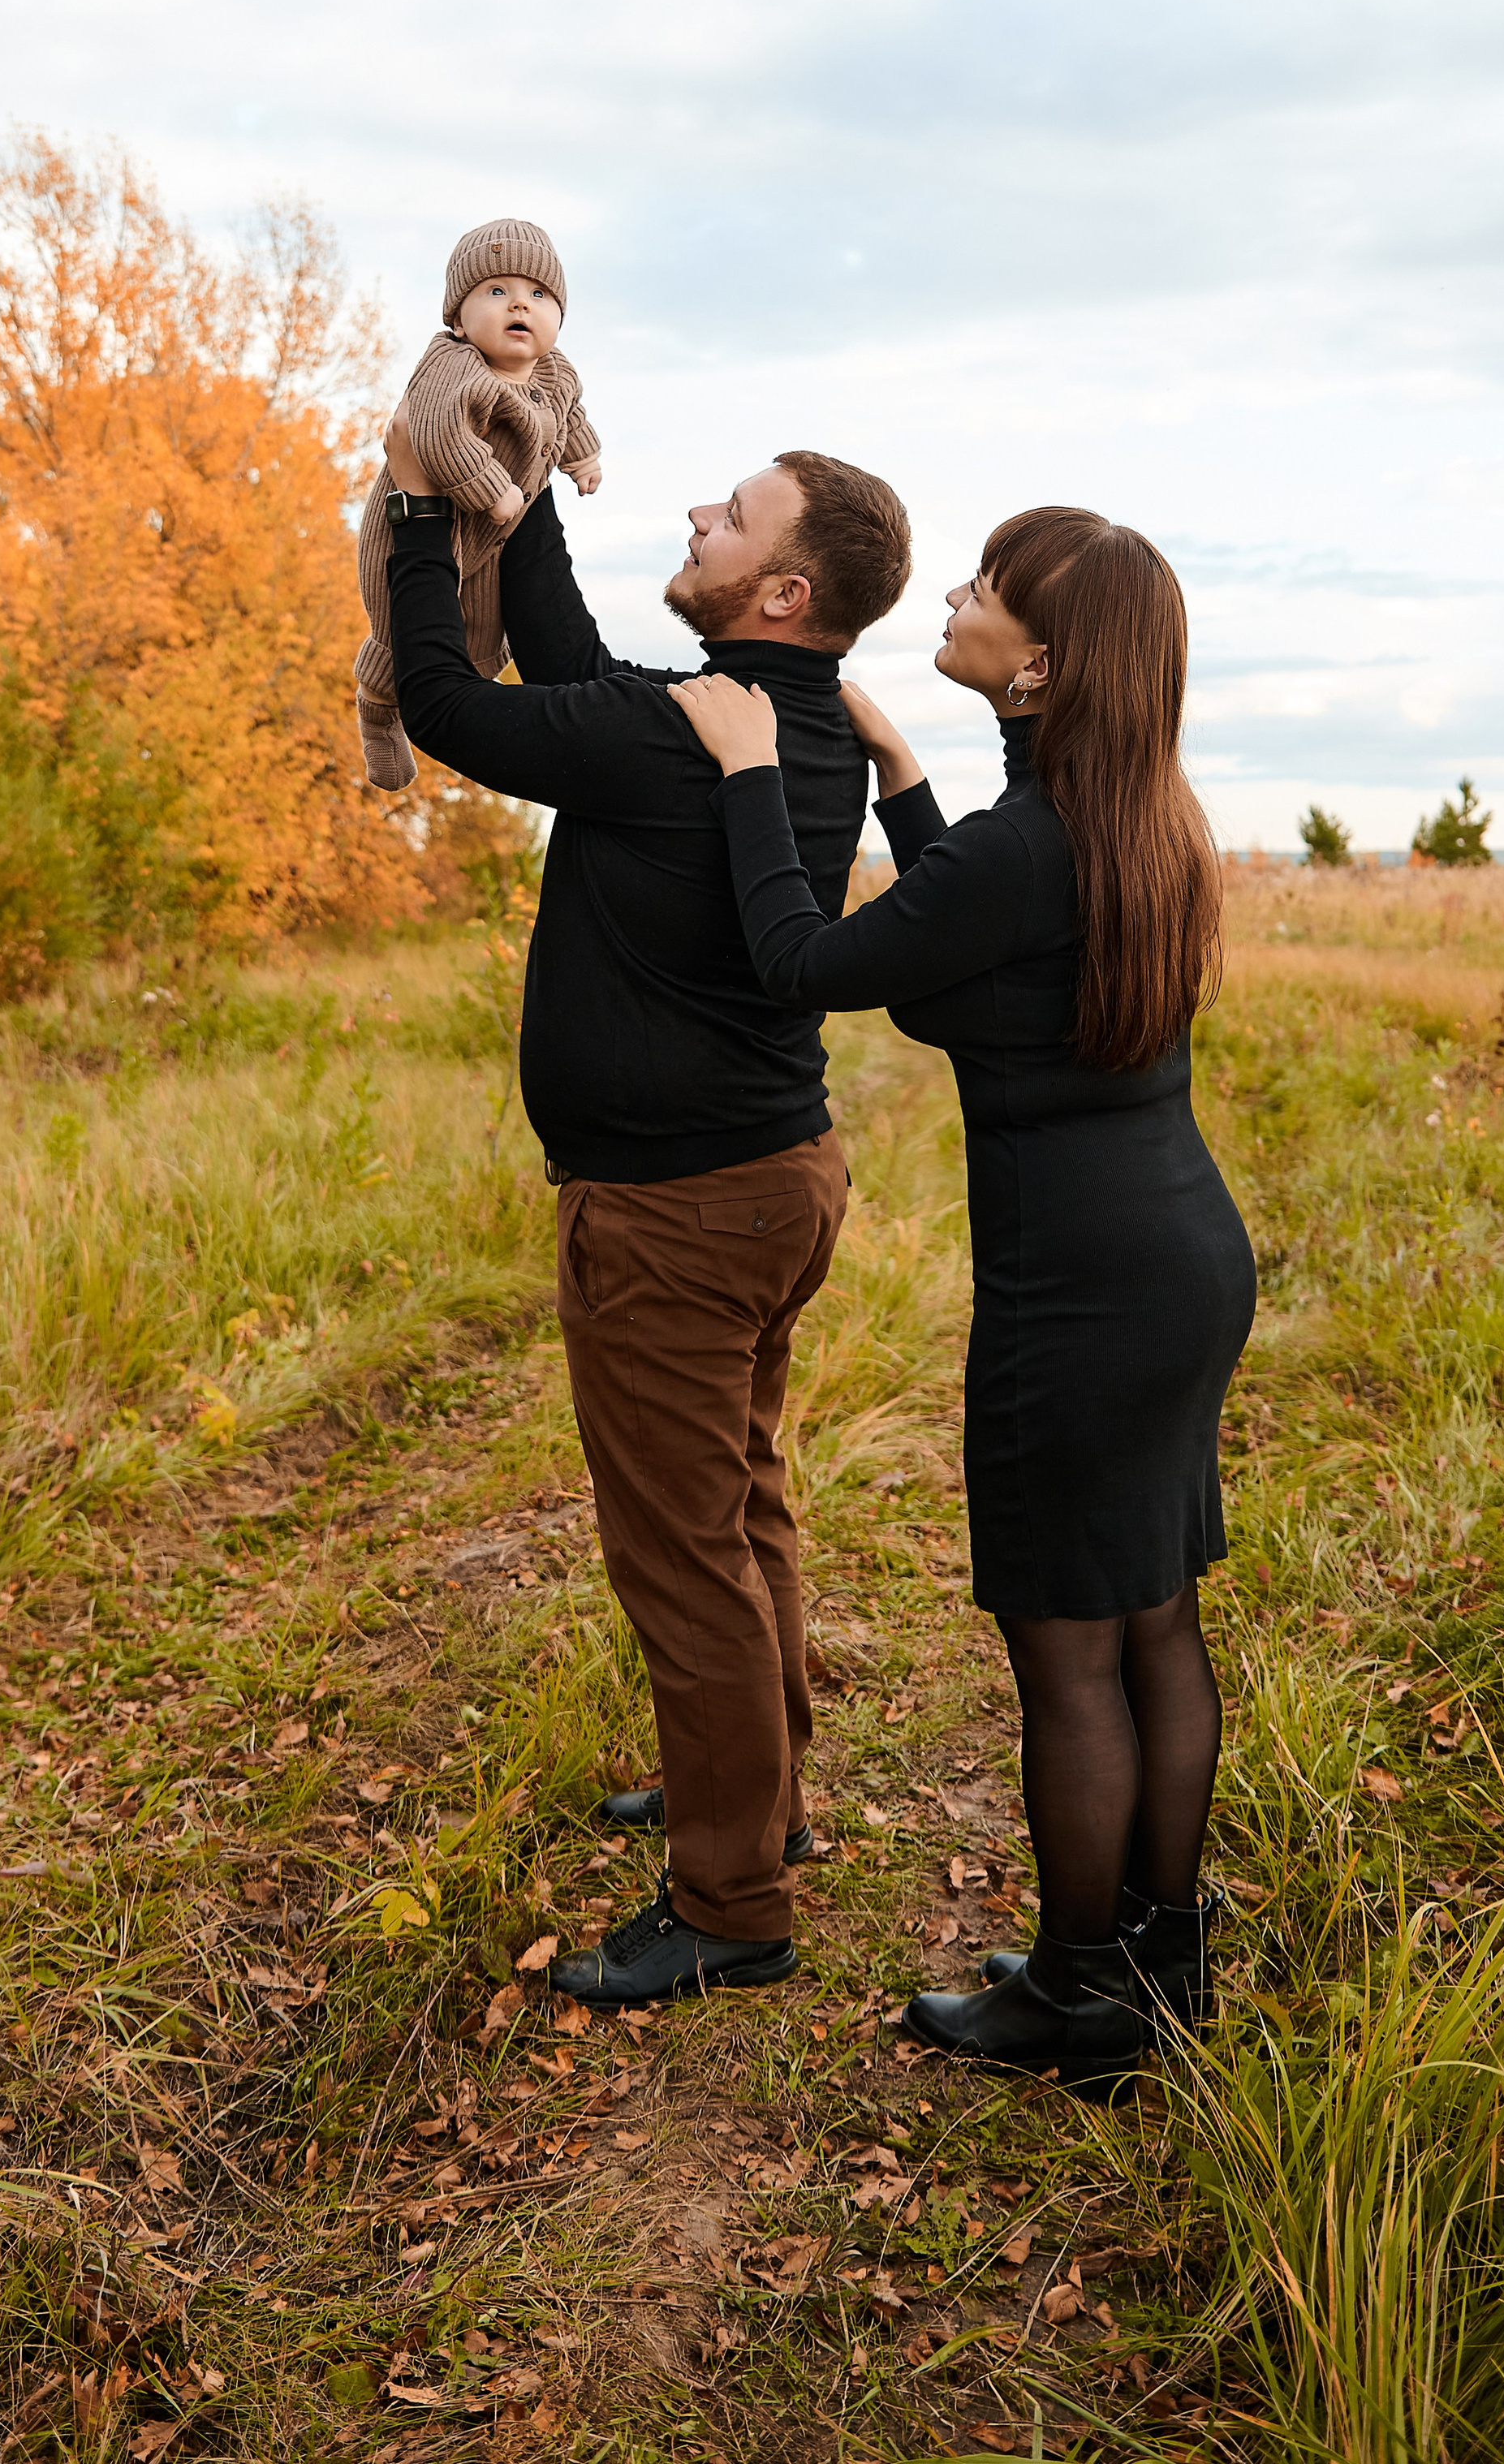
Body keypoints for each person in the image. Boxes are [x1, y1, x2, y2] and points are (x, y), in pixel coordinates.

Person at [670, 506, 1256, 2097]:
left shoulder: (1027, 842)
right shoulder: (1130, 821)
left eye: (985, 591)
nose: (953, 596)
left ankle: (1075, 1987)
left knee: (1068, 1650)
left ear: (1043, 662)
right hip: (1178, 1258)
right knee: (1150, 1620)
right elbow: (963, 947)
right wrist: (903, 771)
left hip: (1074, 1294)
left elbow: (803, 959)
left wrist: (744, 775)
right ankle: (1160, 1950)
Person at [379, 414, 911, 2005]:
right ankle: (758, 1802)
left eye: (730, 516)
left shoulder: (688, 730)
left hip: (675, 1215)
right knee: (740, 1510)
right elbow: (565, 660)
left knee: (683, 1557)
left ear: (782, 588)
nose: (696, 512)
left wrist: (421, 509)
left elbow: (449, 696)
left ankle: (731, 1902)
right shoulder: (778, 719)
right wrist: (518, 481)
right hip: (766, 1182)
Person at [352, 219, 601, 789]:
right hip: (425, 518)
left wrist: (582, 461)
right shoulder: (452, 369)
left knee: (480, 634)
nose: (520, 304)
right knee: (404, 626)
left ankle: (462, 718)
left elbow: (572, 417)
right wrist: (491, 488)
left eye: (538, 295)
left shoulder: (557, 372)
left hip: (499, 537)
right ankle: (377, 709)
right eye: (497, 292)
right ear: (458, 321)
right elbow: (436, 437)